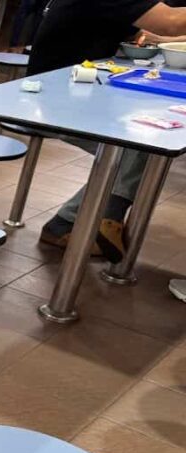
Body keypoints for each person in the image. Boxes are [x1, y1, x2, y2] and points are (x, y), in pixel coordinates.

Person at [30, 0, 186, 262]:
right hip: (54, 94)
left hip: (87, 85)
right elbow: (171, 22)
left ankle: (92, 218)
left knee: (150, 139)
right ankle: (83, 221)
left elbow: (151, 33)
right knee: (139, 145)